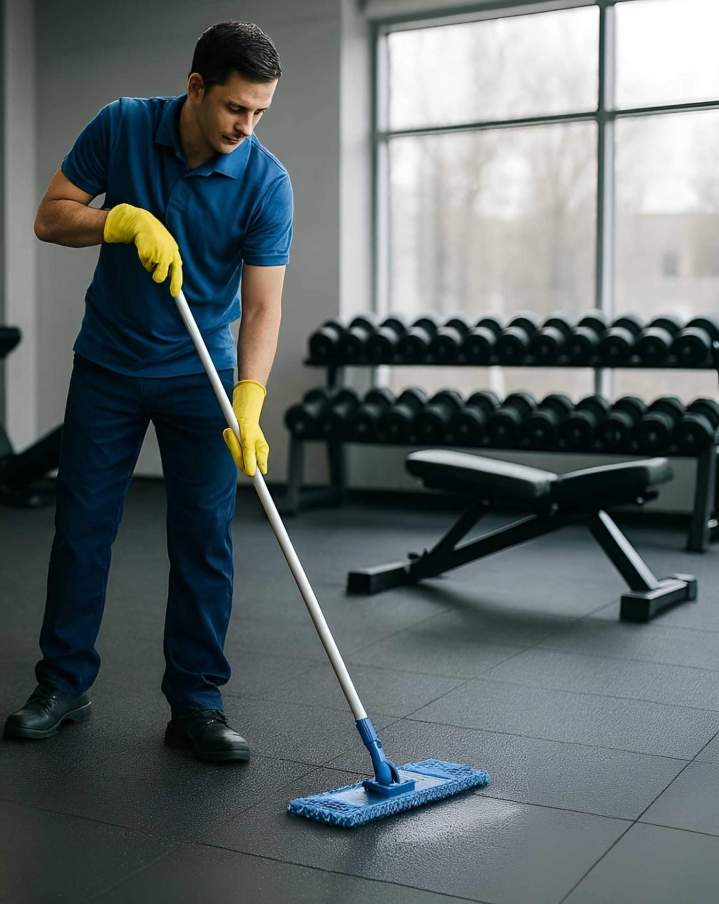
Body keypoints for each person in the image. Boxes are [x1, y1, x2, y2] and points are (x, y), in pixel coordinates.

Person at [3, 21, 293, 763]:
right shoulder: (124, 124)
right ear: (196, 87)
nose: (246, 127)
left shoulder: (264, 180)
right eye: (235, 108)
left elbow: (262, 306)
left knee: (204, 539)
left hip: (204, 379)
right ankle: (63, 685)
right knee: (82, 527)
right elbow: (49, 216)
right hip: (108, 364)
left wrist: (251, 398)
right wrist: (120, 220)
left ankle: (196, 703)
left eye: (259, 113)